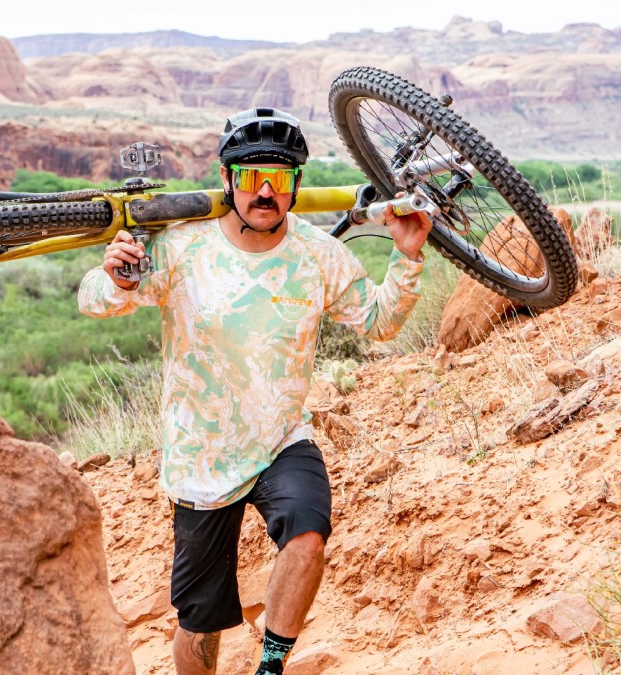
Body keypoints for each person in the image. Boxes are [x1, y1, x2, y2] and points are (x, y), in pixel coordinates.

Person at [78, 107, 431, 675]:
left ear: (296, 185)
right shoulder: (183, 246)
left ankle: (271, 665)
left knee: (308, 534)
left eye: (280, 179)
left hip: (281, 439)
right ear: (226, 180)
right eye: (249, 178)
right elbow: (96, 300)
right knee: (201, 621)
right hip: (202, 455)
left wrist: (407, 255)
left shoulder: (317, 254)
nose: (265, 192)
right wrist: (115, 276)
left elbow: (379, 321)